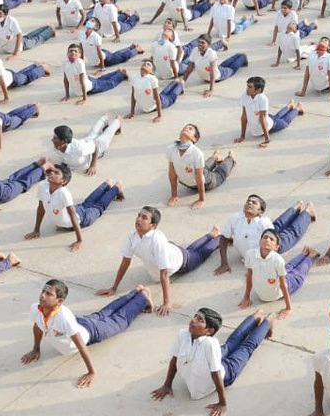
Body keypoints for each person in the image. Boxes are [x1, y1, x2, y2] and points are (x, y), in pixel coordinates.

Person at [20, 279, 153, 388]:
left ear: (59, 301)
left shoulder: (64, 317)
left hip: (93, 331)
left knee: (120, 320)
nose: (42, 295)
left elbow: (80, 344)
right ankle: (135, 292)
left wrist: (92, 372)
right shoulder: (35, 308)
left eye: (49, 294)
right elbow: (37, 326)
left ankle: (141, 297)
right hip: (80, 321)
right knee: (104, 313)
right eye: (43, 291)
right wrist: (35, 349)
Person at [151, 307, 277, 416]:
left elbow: (216, 374)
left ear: (209, 331)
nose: (193, 320)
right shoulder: (183, 334)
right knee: (231, 343)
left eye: (200, 320)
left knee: (247, 347)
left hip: (227, 369)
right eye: (195, 316)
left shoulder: (210, 344)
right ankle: (256, 317)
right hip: (208, 358)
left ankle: (269, 319)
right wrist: (167, 385)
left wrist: (222, 403)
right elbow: (175, 359)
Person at [97, 206, 220, 316]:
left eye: (144, 218)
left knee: (200, 253)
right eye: (139, 216)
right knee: (191, 250)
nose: (138, 219)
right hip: (169, 248)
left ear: (153, 226)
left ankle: (219, 238)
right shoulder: (132, 235)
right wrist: (113, 287)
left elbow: (165, 273)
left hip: (182, 261)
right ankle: (210, 235)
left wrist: (167, 303)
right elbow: (125, 262)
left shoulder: (156, 240)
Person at [24, 164, 122, 252]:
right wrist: (36, 230)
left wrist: (79, 241)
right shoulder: (42, 187)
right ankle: (107, 184)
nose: (51, 173)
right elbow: (41, 208)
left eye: (56, 173)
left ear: (63, 181)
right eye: (52, 171)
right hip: (77, 209)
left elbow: (73, 216)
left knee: (99, 206)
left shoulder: (63, 193)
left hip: (83, 218)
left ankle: (117, 187)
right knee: (87, 203)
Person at [166, 123, 234, 208]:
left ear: (194, 138)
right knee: (203, 167)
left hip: (206, 182)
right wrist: (174, 195)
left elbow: (200, 178)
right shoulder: (171, 149)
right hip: (188, 182)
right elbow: (172, 173)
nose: (186, 129)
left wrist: (202, 199)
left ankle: (231, 158)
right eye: (184, 128)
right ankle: (215, 157)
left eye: (190, 129)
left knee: (220, 174)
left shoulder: (196, 153)